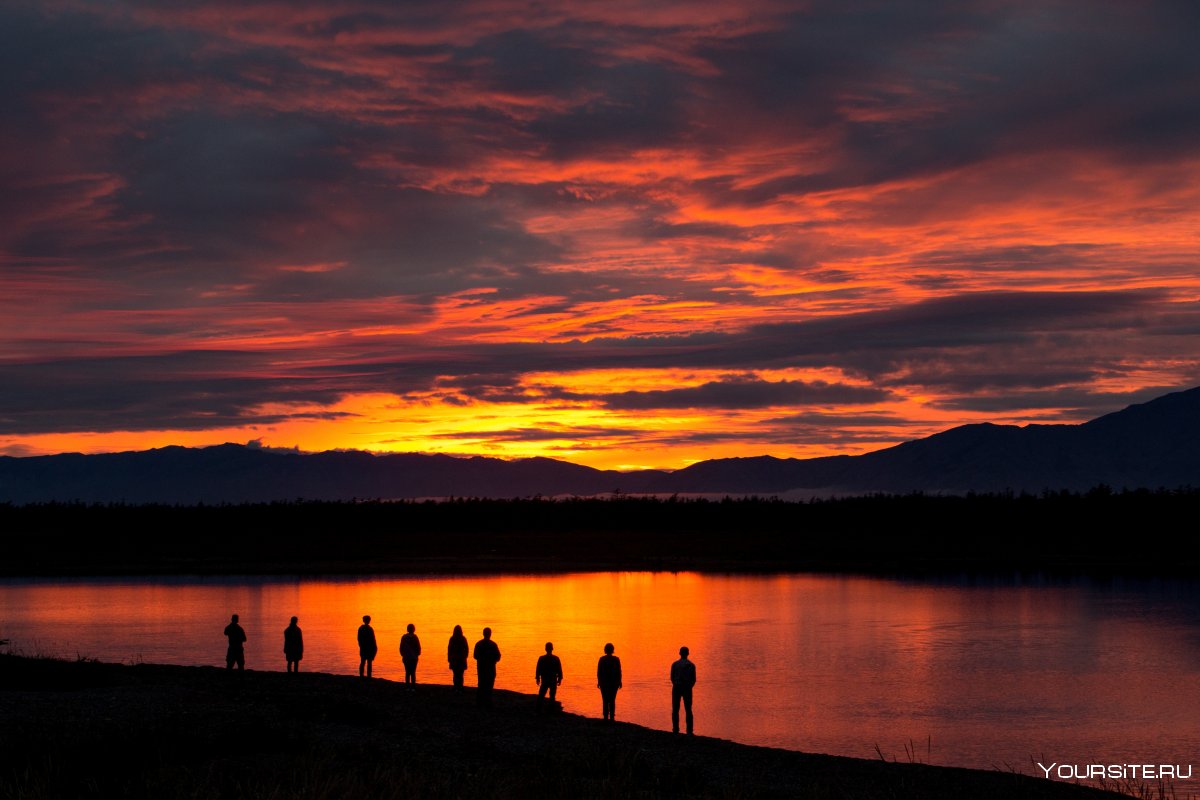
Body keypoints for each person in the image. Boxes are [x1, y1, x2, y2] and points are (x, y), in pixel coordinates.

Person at [670, 645, 696, 735]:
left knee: (675, 709)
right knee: (688, 709)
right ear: (688, 654)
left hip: (677, 687)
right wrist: (689, 686)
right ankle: (689, 730)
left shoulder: (675, 664)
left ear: (680, 653)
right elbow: (694, 679)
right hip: (687, 688)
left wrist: (676, 684)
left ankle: (675, 729)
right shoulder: (691, 665)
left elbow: (672, 677)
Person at [472, 627, 501, 706]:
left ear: (483, 634)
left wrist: (481, 659)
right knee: (489, 685)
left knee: (481, 684)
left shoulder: (479, 644)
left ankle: (480, 701)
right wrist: (493, 660)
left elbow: (475, 655)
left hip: (481, 668)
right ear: (490, 634)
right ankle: (487, 701)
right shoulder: (493, 644)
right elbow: (498, 656)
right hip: (491, 668)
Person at [597, 642, 622, 721]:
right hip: (613, 683)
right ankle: (612, 717)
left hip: (604, 683)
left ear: (605, 650)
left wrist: (599, 682)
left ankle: (605, 717)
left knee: (605, 700)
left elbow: (599, 672)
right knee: (612, 700)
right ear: (612, 650)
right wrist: (619, 681)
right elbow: (619, 672)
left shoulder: (602, 659)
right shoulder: (616, 660)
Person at [535, 642, 563, 712]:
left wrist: (537, 677)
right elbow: (559, 669)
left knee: (542, 695)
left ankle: (540, 708)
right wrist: (560, 678)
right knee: (551, 696)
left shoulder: (542, 658)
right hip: (552, 679)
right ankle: (550, 709)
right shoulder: (556, 658)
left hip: (546, 679)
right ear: (552, 649)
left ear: (545, 649)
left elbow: (538, 669)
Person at [447, 625, 469, 689]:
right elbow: (467, 649)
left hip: (454, 659)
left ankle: (456, 687)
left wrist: (449, 658)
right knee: (460, 675)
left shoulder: (452, 638)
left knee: (455, 674)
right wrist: (465, 656)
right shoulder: (463, 638)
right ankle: (460, 687)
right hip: (461, 659)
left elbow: (449, 649)